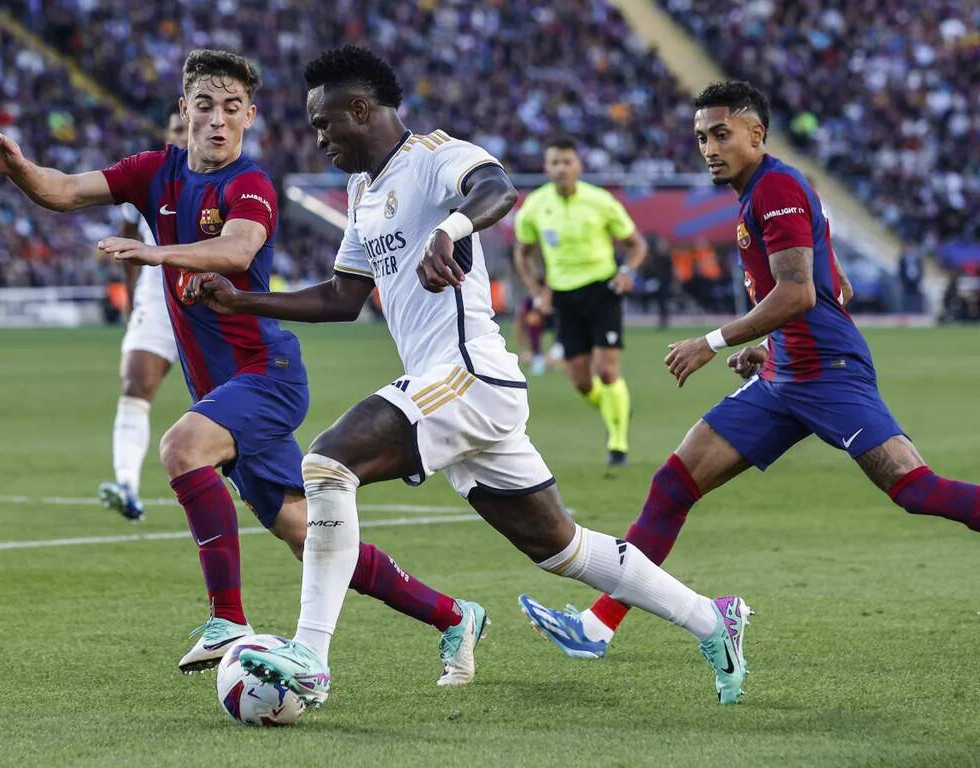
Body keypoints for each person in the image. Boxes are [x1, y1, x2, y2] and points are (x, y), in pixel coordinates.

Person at [189, 45, 751, 709]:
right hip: (451, 388)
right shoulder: (363, 191)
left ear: (361, 110)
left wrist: (448, 229)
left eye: (324, 124)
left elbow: (498, 189)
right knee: (560, 547)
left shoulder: (433, 155)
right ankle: (714, 621)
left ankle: (311, 656)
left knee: (327, 464)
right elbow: (342, 298)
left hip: (467, 373)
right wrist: (243, 299)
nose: (319, 139)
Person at [0, 48, 486, 686]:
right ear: (185, 111)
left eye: (232, 109)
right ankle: (453, 615)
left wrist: (158, 252)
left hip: (267, 374)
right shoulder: (152, 172)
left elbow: (237, 247)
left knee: (181, 448)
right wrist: (17, 167)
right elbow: (65, 189)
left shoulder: (249, 184)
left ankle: (228, 620)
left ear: (248, 117)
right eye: (206, 106)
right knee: (312, 538)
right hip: (223, 387)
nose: (218, 120)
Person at [518, 80, 980, 660]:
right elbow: (836, 284)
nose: (709, 147)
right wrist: (771, 346)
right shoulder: (755, 193)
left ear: (756, 135)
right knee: (673, 485)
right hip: (785, 374)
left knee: (914, 489)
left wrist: (713, 340)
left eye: (721, 134)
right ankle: (598, 627)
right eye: (701, 137)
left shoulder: (778, 186)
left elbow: (801, 291)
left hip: (830, 373)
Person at [513, 138, 648, 467]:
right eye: (555, 162)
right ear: (546, 167)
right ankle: (614, 406)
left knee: (606, 370)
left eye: (567, 162)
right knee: (581, 380)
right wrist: (537, 291)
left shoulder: (600, 201)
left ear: (578, 166)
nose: (561, 168)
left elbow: (636, 243)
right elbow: (523, 252)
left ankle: (618, 444)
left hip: (603, 290)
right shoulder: (534, 206)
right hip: (563, 296)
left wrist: (628, 271)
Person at [97, 104, 187, 521]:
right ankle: (127, 485)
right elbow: (130, 236)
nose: (184, 135)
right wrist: (133, 298)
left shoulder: (235, 180)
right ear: (168, 135)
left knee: (223, 397)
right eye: (176, 129)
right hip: (157, 294)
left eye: (190, 127)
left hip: (211, 299)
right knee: (136, 385)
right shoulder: (149, 180)